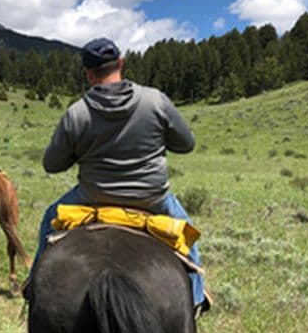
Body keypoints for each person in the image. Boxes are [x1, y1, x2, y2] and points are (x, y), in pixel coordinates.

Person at [32, 37, 209, 314]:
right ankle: (197, 297)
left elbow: (51, 164)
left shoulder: (77, 113)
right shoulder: (156, 101)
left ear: (88, 73)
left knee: (48, 219)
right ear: (121, 63)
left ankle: (35, 288)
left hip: (91, 199)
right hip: (152, 199)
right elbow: (186, 144)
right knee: (187, 235)